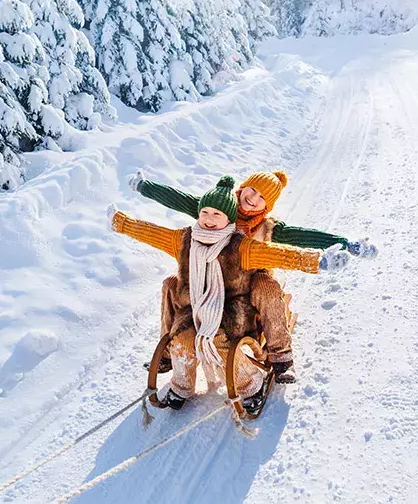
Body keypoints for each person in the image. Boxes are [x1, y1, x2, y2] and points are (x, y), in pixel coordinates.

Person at [111, 176, 350, 414]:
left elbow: (285, 250)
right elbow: (162, 217)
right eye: (252, 190)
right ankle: (176, 369)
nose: (253, 199)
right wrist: (133, 202)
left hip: (242, 291)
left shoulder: (250, 239)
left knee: (262, 288)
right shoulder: (201, 225)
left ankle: (277, 358)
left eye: (261, 197)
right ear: (241, 189)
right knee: (172, 288)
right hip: (202, 294)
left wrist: (329, 254)